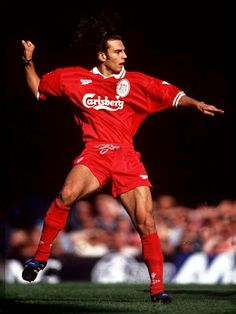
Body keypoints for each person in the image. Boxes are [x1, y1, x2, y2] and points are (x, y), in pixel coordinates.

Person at [20, 14, 224, 303]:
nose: (124, 56)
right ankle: (39, 258)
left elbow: (173, 95)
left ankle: (158, 291)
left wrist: (197, 104)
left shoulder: (136, 82)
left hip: (126, 157)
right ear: (102, 55)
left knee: (146, 222)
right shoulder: (72, 78)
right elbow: (39, 89)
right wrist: (28, 62)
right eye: (118, 51)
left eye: (125, 51)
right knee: (66, 194)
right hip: (95, 153)